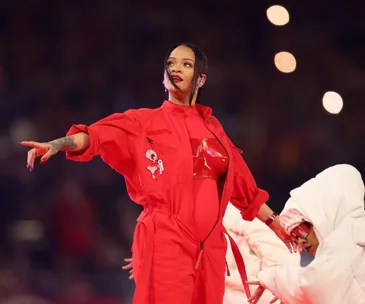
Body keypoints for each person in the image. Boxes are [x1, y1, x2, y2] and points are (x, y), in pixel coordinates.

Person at [20, 43, 293, 304]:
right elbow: (95, 136)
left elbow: (244, 189)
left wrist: (281, 227)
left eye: (186, 64)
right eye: (170, 63)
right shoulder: (143, 123)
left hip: (210, 247)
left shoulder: (214, 130)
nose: (176, 69)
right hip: (166, 238)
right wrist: (57, 144)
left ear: (200, 79)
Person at [123, 202, 300, 303]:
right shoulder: (169, 222)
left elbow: (282, 253)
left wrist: (273, 294)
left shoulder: (233, 211)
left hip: (253, 298)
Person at [248, 164, 365, 304]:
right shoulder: (354, 232)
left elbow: (313, 285)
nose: (300, 243)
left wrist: (272, 277)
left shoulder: (346, 239)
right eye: (295, 237)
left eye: (300, 231)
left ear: (323, 214)